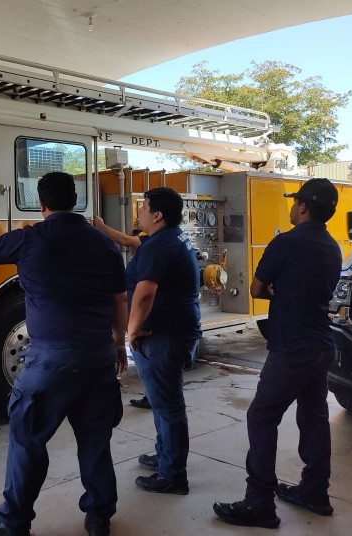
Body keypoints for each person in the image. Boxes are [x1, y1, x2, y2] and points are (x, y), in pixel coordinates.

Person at [0, 172, 128, 536]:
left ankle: (13, 524)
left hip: (51, 362)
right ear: (76, 200)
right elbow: (119, 301)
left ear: (42, 204)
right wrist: (119, 345)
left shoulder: (30, 239)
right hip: (99, 358)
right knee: (95, 441)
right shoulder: (103, 245)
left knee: (27, 440)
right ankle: (99, 517)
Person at [214, 178, 343, 528]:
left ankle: (259, 503)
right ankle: (315, 491)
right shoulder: (333, 247)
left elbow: (257, 289)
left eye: (294, 202)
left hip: (292, 347)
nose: (291, 207)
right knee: (314, 418)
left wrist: (280, 290)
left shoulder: (285, 242)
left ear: (302, 207)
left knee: (261, 417)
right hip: (321, 345)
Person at [126, 187, 201, 494]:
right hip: (173, 332)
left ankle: (173, 475)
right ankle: (165, 456)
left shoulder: (160, 246)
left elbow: (144, 293)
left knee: (167, 405)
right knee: (162, 402)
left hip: (163, 337)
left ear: (157, 215)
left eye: (142, 207)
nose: (139, 212)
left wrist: (131, 329)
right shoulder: (171, 238)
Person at [92, 215, 152, 411]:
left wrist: (101, 226)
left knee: (150, 363)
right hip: (139, 312)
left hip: (144, 318)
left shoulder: (152, 242)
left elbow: (125, 240)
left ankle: (154, 397)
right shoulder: (157, 241)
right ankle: (152, 395)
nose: (139, 213)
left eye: (144, 209)